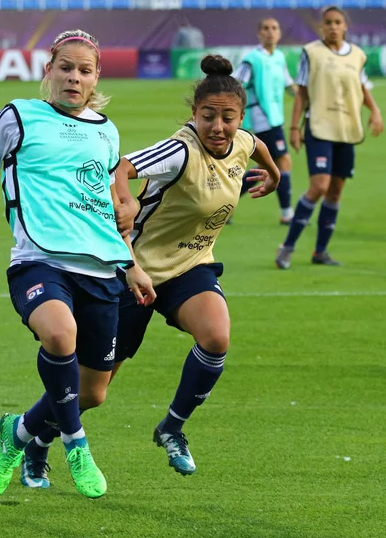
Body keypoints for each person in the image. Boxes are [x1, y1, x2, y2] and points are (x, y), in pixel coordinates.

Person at [0, 29, 155, 499]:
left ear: (96, 77)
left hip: (101, 267)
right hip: (39, 260)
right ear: (48, 70)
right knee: (60, 335)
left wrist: (130, 262)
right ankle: (76, 444)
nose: (74, 77)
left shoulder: (106, 129)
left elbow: (106, 205)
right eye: (66, 67)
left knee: (93, 392)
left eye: (84, 70)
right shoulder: (19, 116)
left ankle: (18, 433)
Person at [21, 55, 280, 485]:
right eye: (208, 116)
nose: (218, 127)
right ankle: (36, 442)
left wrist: (273, 175)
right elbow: (121, 165)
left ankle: (172, 428)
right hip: (135, 273)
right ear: (194, 114)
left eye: (228, 118)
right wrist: (125, 200)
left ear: (241, 117)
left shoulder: (242, 142)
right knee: (92, 392)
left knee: (216, 337)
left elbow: (258, 147)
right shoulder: (180, 149)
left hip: (191, 267)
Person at [276, 6, 384, 269]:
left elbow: (361, 86)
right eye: (328, 23)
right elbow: (301, 92)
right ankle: (287, 247)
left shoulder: (357, 55)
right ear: (322, 27)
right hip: (319, 128)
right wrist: (294, 127)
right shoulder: (311, 53)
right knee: (319, 187)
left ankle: (320, 252)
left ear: (345, 26)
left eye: (337, 22)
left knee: (335, 192)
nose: (333, 27)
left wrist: (376, 111)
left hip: (347, 130)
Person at [233, 17, 297, 224]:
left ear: (279, 33)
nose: (270, 32)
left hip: (274, 118)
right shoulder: (253, 58)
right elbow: (235, 84)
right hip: (260, 119)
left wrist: (307, 96)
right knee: (282, 162)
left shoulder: (279, 57)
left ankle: (225, 205)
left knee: (266, 166)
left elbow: (289, 86)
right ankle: (287, 213)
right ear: (259, 33)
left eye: (274, 28)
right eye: (266, 28)